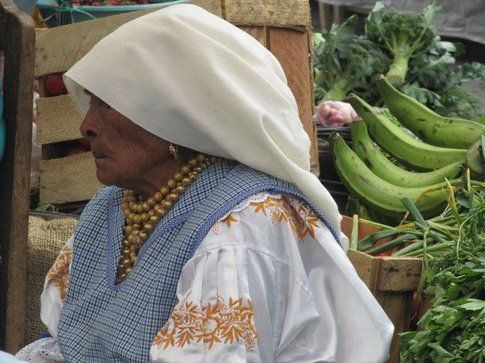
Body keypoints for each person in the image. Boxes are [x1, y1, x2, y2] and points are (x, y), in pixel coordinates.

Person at [12, 4, 393, 362]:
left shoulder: (243, 226)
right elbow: (67, 346)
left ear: (174, 119)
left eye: (107, 105)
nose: (87, 126)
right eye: (91, 103)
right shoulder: (110, 207)